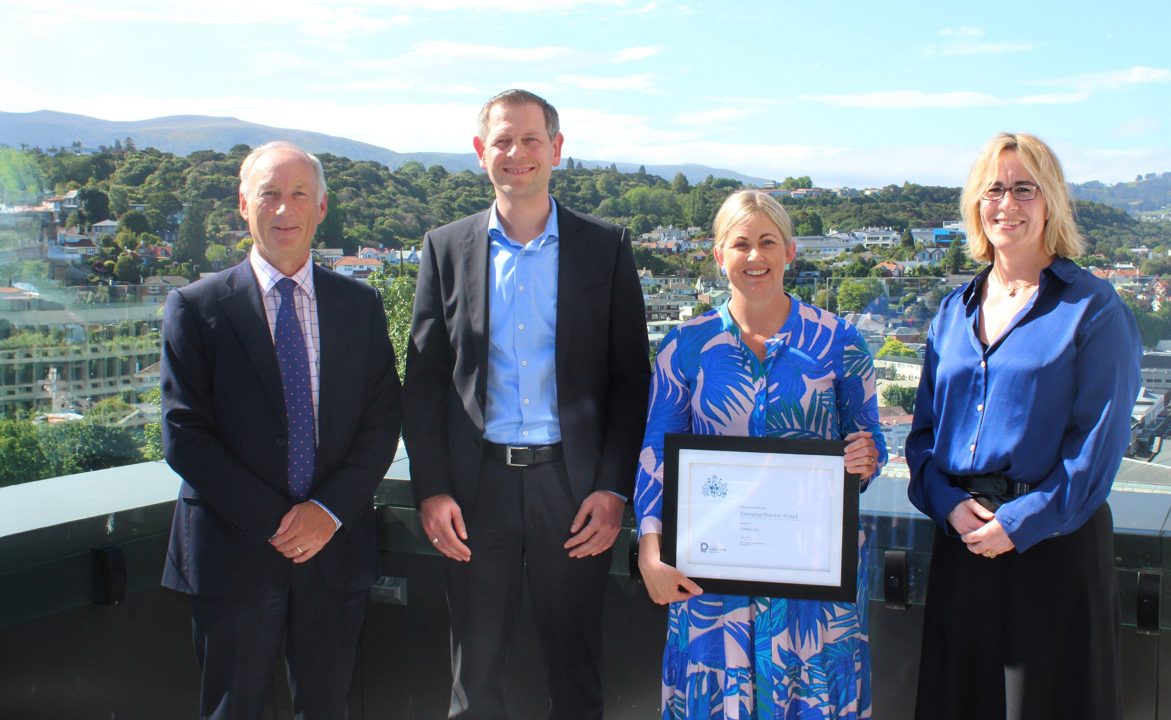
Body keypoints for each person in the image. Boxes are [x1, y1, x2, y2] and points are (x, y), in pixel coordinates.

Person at [401, 89, 650, 719]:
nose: (518, 153)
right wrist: (431, 489)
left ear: (557, 150)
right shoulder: (444, 248)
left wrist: (614, 488)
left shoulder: (607, 248)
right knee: (475, 678)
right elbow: (424, 382)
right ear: (482, 152)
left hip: (572, 494)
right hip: (474, 493)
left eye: (532, 139)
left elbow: (630, 381)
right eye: (503, 141)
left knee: (575, 673)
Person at [160, 141, 402, 719]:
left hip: (334, 551)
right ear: (243, 205)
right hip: (231, 552)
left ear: (322, 208)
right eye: (268, 194)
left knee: (325, 708)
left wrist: (328, 511)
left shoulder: (359, 304)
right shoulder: (195, 307)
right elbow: (183, 434)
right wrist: (279, 522)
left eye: (298, 194)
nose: (283, 208)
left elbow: (381, 419)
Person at [905, 132, 1142, 720]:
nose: (1006, 203)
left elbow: (1096, 449)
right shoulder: (951, 312)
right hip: (962, 546)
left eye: (1024, 189)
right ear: (975, 205)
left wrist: (1018, 521)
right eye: (994, 190)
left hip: (1051, 552)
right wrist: (947, 506)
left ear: (1051, 203)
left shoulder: (1092, 308)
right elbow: (922, 440)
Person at [633, 189, 886, 719]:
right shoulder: (685, 346)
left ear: (790, 251)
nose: (755, 256)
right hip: (711, 587)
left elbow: (870, 445)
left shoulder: (840, 342)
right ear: (718, 254)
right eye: (741, 243)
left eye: (768, 242)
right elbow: (656, 456)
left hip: (812, 589)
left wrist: (864, 458)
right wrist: (650, 549)